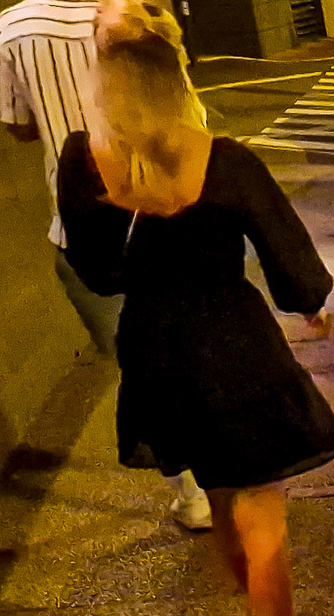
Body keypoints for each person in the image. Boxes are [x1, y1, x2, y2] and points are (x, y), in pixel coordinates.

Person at [59, 30, 334, 616]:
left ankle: (255, 614)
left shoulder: (85, 160)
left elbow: (97, 272)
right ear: (176, 87)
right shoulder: (227, 160)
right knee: (263, 513)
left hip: (159, 348)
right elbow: (287, 252)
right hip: (236, 341)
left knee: (218, 495)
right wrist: (309, 306)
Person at [0, 0, 213, 529]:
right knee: (198, 342)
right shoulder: (137, 12)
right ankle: (229, 466)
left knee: (139, 361)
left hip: (85, 227)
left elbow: (20, 126)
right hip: (174, 208)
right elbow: (186, 105)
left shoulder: (11, 29)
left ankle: (192, 492)